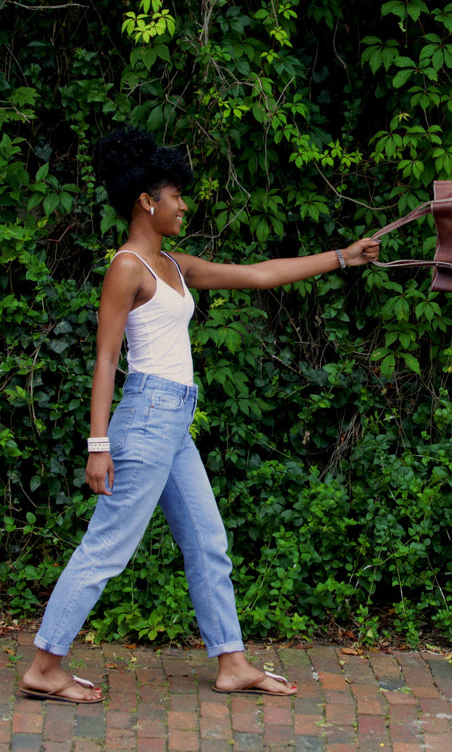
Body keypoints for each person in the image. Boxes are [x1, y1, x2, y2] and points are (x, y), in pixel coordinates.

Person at [19, 126, 380, 703]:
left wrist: (342, 258)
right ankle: (44, 664)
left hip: (174, 419)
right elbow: (107, 357)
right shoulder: (128, 267)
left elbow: (259, 274)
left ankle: (232, 662)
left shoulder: (174, 265)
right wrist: (97, 444)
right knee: (108, 546)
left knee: (208, 539)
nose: (183, 205)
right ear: (147, 201)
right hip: (145, 416)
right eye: (176, 196)